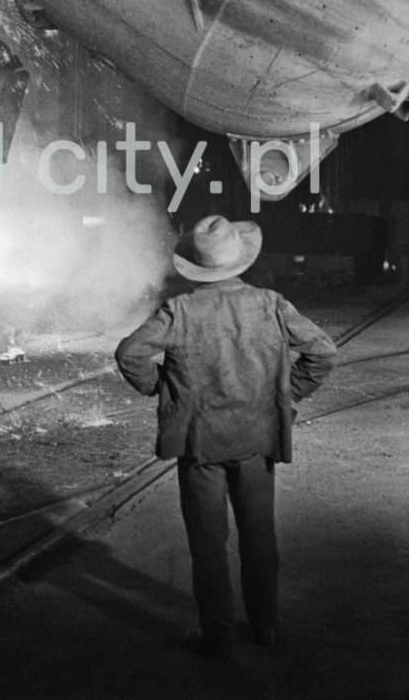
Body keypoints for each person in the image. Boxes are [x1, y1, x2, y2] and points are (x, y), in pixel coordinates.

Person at [115, 214, 338, 659]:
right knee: (259, 537)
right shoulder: (271, 304)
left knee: (208, 542)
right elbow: (323, 353)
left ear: (197, 265)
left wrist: (161, 388)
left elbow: (130, 353)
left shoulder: (180, 311)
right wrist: (286, 395)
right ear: (241, 260)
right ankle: (266, 625)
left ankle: (217, 633)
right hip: (257, 439)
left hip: (201, 444)